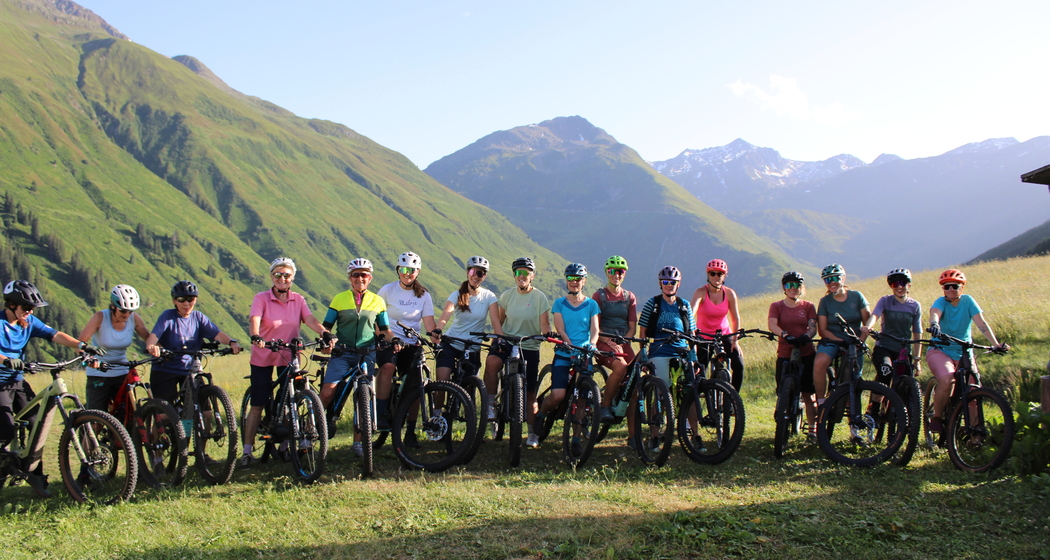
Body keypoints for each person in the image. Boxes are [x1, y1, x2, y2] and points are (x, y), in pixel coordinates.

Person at [0, 280, 100, 497]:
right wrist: (5, 359)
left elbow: (55, 334)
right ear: (10, 305)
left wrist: (81, 345)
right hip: (0, 384)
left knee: (38, 424)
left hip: (18, 381)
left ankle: (36, 475)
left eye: (31, 309)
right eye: (25, 308)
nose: (29, 312)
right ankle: (4, 466)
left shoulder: (29, 322)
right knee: (5, 430)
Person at [239, 258, 332, 469]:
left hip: (289, 356)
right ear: (271, 277)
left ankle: (284, 446)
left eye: (286, 275)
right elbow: (254, 319)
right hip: (264, 355)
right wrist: (255, 336)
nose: (282, 278)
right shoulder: (261, 298)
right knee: (258, 403)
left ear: (293, 278)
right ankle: (246, 451)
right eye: (278, 275)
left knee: (290, 402)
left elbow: (309, 319)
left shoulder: (298, 299)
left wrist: (324, 332)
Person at [320, 258, 397, 458]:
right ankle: (315, 427)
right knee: (328, 392)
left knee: (363, 398)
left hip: (367, 354)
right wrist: (326, 339)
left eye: (364, 275)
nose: (360, 278)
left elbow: (386, 329)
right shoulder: (339, 299)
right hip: (343, 352)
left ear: (370, 278)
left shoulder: (377, 301)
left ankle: (358, 443)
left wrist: (395, 339)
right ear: (350, 278)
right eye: (356, 275)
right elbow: (326, 326)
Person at [925, 269, 1007, 436]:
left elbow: (981, 323)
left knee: (973, 392)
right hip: (940, 349)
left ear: (961, 287)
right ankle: (937, 417)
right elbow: (935, 313)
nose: (950, 290)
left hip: (964, 351)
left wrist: (996, 344)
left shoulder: (968, 301)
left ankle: (975, 435)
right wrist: (935, 325)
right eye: (946, 287)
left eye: (955, 286)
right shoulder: (941, 302)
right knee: (947, 379)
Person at [483, 257, 551, 448]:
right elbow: (501, 321)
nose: (522, 276)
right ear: (514, 276)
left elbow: (545, 324)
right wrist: (498, 338)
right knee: (492, 363)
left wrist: (547, 335)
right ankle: (490, 404)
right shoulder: (506, 296)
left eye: (526, 273)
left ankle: (531, 433)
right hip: (508, 339)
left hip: (529, 345)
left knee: (530, 392)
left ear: (532, 276)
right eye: (518, 273)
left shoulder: (540, 298)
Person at [533, 263, 600, 448]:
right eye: (570, 278)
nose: (574, 282)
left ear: (584, 281)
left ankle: (576, 439)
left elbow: (595, 330)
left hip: (585, 354)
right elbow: (560, 328)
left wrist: (593, 344)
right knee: (558, 395)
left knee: (582, 399)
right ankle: (541, 414)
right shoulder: (559, 303)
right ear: (566, 281)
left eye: (578, 279)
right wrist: (568, 343)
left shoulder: (591, 304)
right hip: (564, 352)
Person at [146, 281, 243, 406]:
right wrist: (151, 346)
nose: (186, 303)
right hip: (165, 369)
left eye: (190, 299)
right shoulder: (168, 316)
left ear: (195, 300)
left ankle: (188, 425)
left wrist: (232, 342)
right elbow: (154, 335)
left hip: (189, 370)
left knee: (205, 414)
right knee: (165, 415)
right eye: (181, 299)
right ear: (174, 301)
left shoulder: (198, 317)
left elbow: (217, 334)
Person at [375, 252, 437, 431]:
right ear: (398, 270)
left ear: (417, 272)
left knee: (416, 380)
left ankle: (411, 429)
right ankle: (380, 414)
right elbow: (376, 318)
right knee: (387, 367)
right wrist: (384, 338)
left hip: (410, 343)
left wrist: (436, 336)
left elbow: (429, 323)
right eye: (404, 269)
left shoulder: (424, 295)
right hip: (388, 341)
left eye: (412, 270)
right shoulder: (387, 290)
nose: (407, 273)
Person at [76, 285, 151, 412]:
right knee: (97, 419)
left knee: (128, 415)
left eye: (130, 311)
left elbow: (149, 339)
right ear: (113, 306)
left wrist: (159, 349)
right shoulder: (100, 317)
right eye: (123, 311)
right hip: (98, 373)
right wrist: (88, 359)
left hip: (122, 372)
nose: (127, 315)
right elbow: (79, 343)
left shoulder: (134, 318)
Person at [862, 268, 923, 416]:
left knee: (908, 386)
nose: (899, 287)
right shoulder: (885, 300)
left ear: (909, 285)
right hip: (885, 347)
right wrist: (868, 327)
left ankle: (904, 419)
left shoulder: (915, 306)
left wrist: (917, 359)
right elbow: (875, 315)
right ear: (891, 286)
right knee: (885, 372)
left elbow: (917, 333)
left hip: (903, 350)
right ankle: (874, 411)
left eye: (903, 283)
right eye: (895, 284)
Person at [766, 271, 818, 438]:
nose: (793, 288)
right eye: (789, 285)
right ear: (784, 287)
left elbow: (813, 327)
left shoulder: (808, 306)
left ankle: (812, 429)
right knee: (782, 391)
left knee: (808, 393)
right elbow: (772, 324)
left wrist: (807, 336)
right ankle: (781, 418)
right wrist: (785, 335)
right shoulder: (777, 306)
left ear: (801, 287)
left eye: (796, 285)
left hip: (806, 352)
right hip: (785, 352)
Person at [434, 256, 499, 386]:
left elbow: (495, 320)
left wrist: (500, 339)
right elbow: (446, 314)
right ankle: (437, 407)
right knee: (442, 381)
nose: (475, 276)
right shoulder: (456, 295)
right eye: (472, 272)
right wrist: (439, 328)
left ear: (484, 276)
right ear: (467, 273)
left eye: (479, 273)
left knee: (469, 386)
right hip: (451, 343)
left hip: (472, 347)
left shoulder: (489, 297)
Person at [812, 264, 870, 405]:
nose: (831, 282)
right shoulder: (825, 302)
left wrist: (860, 342)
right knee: (819, 363)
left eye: (834, 278)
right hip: (833, 341)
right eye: (827, 280)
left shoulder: (857, 296)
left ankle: (853, 419)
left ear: (843, 278)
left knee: (853, 379)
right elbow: (823, 330)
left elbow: (867, 323)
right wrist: (840, 341)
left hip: (855, 342)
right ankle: (821, 402)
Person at [592, 256, 637, 426]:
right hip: (602, 341)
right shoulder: (599, 295)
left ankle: (633, 435)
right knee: (621, 367)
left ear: (624, 274)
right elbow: (595, 325)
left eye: (620, 272)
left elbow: (632, 326)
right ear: (606, 273)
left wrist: (624, 341)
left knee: (636, 376)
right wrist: (610, 341)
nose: (616, 275)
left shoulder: (629, 297)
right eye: (612, 271)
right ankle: (605, 406)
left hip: (623, 342)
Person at [636, 266, 695, 389]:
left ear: (678, 284)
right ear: (660, 284)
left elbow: (691, 332)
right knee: (662, 387)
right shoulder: (652, 304)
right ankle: (662, 406)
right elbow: (643, 331)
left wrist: (693, 356)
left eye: (672, 282)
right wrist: (644, 355)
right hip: (659, 351)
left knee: (691, 388)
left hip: (681, 351)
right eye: (665, 282)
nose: (669, 285)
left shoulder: (684, 305)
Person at [690, 259, 744, 390]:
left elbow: (735, 318)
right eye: (712, 273)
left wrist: (735, 342)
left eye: (719, 274)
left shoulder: (729, 293)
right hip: (704, 335)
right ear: (707, 275)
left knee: (739, 365)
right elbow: (691, 313)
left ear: (724, 275)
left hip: (724, 334)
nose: (716, 277)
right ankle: (696, 399)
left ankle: (733, 400)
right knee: (699, 369)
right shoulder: (701, 292)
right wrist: (692, 333)